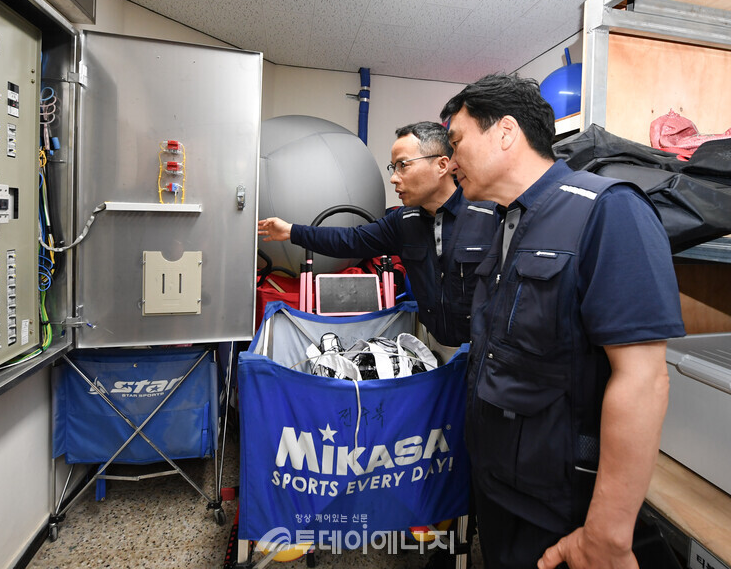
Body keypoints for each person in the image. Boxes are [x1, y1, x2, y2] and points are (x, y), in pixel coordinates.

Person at [439, 74, 685, 569]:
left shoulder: (608, 210)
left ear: (505, 132)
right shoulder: (504, 219)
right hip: (501, 492)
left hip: (562, 510)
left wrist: (607, 537)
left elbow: (644, 379)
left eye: (457, 141)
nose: (449, 160)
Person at [257, 121, 496, 349]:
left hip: (484, 349)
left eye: (404, 165)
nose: (394, 178)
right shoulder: (404, 221)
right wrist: (291, 231)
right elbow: (350, 241)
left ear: (442, 165)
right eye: (394, 167)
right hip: (435, 346)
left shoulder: (490, 216)